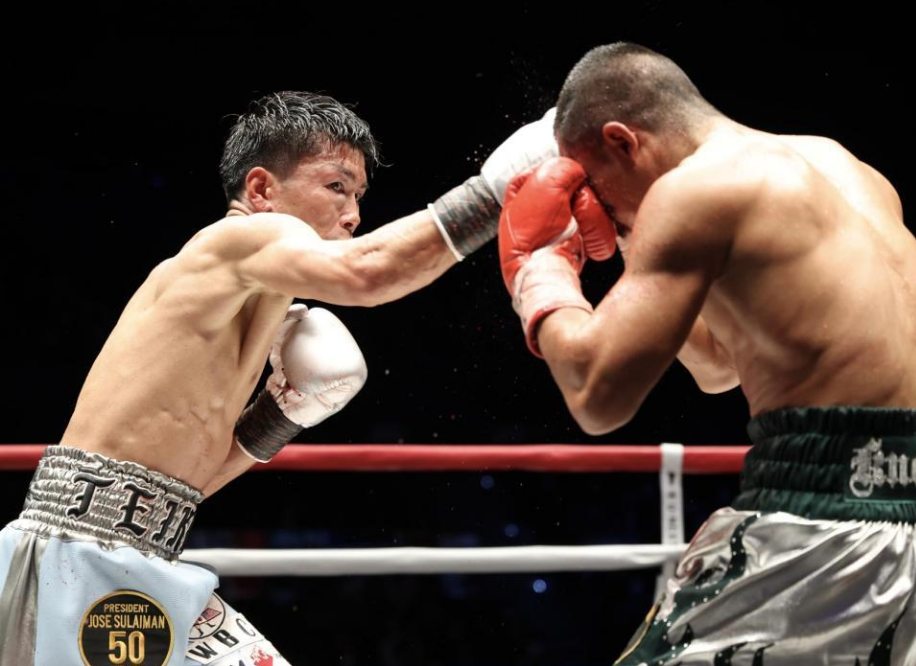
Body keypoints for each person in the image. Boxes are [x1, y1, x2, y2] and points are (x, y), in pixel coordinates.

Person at [0, 91, 556, 665]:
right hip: (80, 558)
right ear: (262, 189)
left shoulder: (254, 301)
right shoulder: (240, 238)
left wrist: (278, 416)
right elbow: (369, 273)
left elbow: (177, 486)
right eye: (336, 186)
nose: (354, 214)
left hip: (129, 552)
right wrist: (496, 193)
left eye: (359, 196)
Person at [498, 43, 916, 663]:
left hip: (819, 521)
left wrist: (540, 269)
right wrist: (632, 239)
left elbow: (596, 395)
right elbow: (718, 368)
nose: (600, 209)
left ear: (622, 141)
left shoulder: (697, 191)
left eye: (599, 192)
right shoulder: (836, 163)